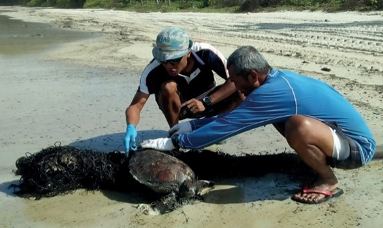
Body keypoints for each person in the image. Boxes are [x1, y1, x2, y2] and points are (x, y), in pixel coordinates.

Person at [140, 45, 376, 204]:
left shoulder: (272, 94)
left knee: (297, 126)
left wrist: (175, 142)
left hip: (357, 148)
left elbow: (230, 127)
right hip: (338, 138)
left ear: (253, 76)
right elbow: (237, 117)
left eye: (236, 80)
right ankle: (316, 165)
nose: (234, 86)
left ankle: (328, 180)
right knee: (285, 121)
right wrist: (192, 126)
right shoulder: (277, 80)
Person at [124, 27, 243, 153]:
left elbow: (236, 80)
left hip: (209, 102)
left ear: (188, 53)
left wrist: (206, 102)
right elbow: (136, 106)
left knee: (240, 92)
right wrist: (131, 127)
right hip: (180, 106)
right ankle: (175, 132)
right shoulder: (153, 70)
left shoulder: (205, 52)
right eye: (165, 61)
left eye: (175, 60)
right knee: (168, 87)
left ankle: (215, 128)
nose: (170, 66)